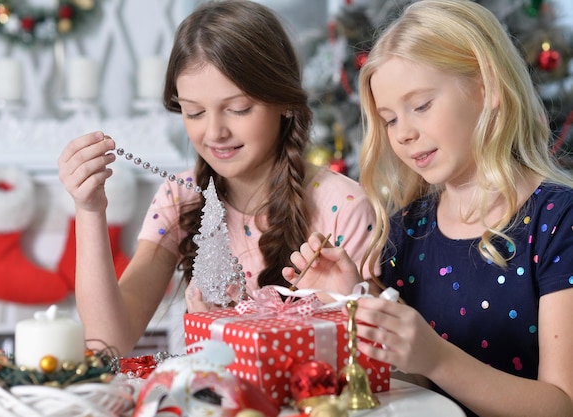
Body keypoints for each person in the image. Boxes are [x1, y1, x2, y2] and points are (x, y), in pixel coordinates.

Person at [284, 1, 573, 416]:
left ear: (486, 87)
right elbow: (418, 386)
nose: (403, 134)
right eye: (389, 119)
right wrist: (353, 297)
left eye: (420, 106)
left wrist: (437, 357)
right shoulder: (408, 230)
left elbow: (561, 405)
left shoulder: (558, 221)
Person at [57, 0, 375, 357]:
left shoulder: (343, 207)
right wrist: (89, 210)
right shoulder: (181, 198)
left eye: (238, 109)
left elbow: (379, 365)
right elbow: (109, 341)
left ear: (284, 101)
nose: (214, 132)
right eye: (193, 112)